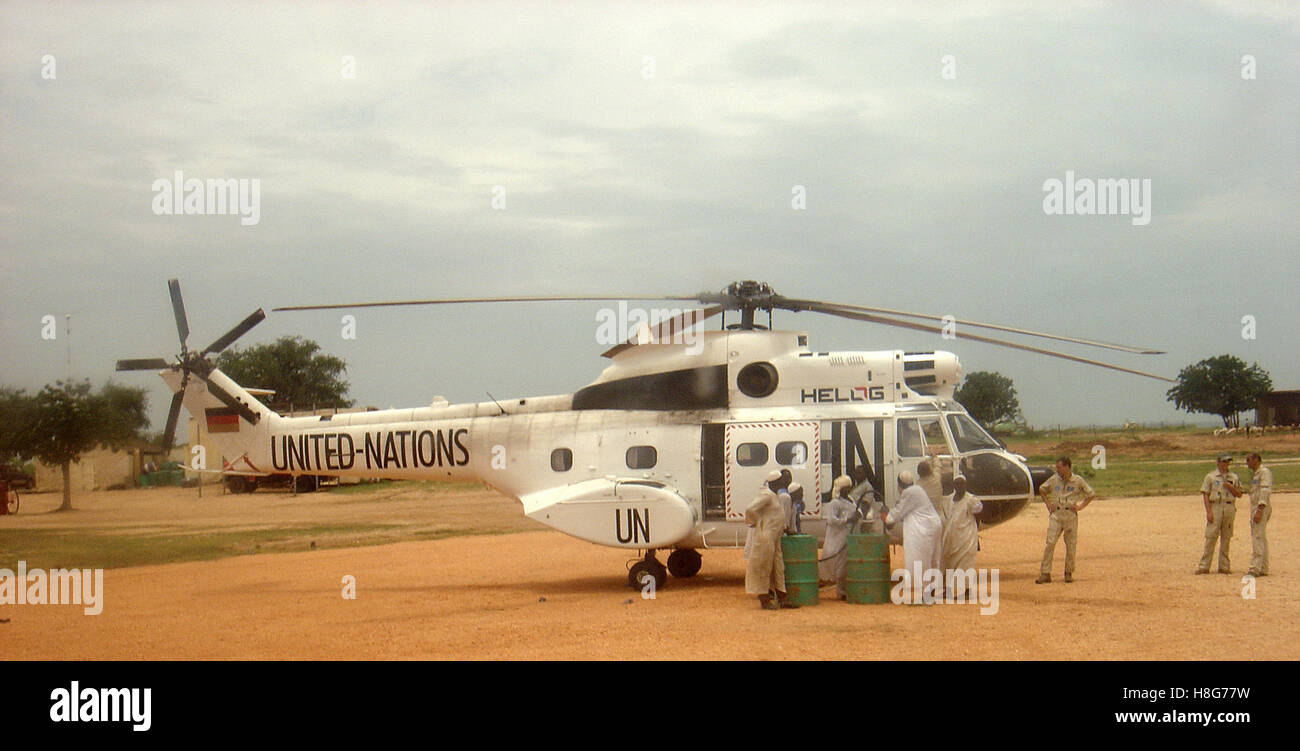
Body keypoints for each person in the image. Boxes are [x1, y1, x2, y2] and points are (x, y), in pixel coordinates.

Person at [882, 470, 943, 604]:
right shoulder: (917, 490)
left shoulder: (908, 493)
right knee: (932, 560)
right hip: (933, 525)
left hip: (924, 528)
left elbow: (897, 513)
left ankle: (926, 595)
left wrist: (887, 517)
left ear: (900, 484)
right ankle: (930, 591)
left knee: (920, 560)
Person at [1036, 457, 1095, 584]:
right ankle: (1045, 573)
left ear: (1067, 467)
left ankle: (1068, 572)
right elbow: (1042, 489)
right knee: (1050, 543)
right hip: (1056, 515)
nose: (1057, 470)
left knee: (1071, 545)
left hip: (1070, 515)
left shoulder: (1077, 481)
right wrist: (1048, 504)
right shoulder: (1054, 479)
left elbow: (1091, 494)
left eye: (1059, 467)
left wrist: (1080, 507)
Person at [745, 484, 798, 610]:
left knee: (778, 568)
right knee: (764, 567)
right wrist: (754, 522)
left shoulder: (776, 496)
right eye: (782, 479)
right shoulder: (767, 495)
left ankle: (782, 598)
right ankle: (764, 600)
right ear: (775, 482)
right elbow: (750, 509)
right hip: (766, 537)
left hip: (775, 537)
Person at [1197, 454, 1242, 574]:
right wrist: (1208, 511)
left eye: (1227, 462)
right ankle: (1204, 566)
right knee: (1211, 536)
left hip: (1229, 506)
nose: (1225, 464)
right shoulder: (1211, 477)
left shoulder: (1233, 477)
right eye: (1223, 462)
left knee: (1226, 537)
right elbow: (1205, 494)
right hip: (1216, 505)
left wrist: (1230, 487)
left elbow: (1239, 493)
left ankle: (1224, 566)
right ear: (1218, 463)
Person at [819, 475, 861, 599]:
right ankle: (841, 592)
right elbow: (832, 520)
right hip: (837, 538)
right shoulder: (835, 503)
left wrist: (858, 516)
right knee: (840, 566)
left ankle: (844, 590)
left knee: (847, 565)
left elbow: (856, 514)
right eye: (846, 488)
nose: (848, 490)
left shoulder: (851, 500)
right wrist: (847, 520)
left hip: (849, 538)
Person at [941, 475, 983, 588]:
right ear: (954, 486)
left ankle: (967, 590)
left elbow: (978, 514)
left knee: (965, 564)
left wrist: (976, 534)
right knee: (949, 563)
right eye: (957, 484)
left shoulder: (971, 500)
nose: (960, 487)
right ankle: (948, 589)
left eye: (962, 484)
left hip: (966, 537)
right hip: (952, 537)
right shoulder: (949, 499)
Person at [1245, 453, 1273, 577]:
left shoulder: (1264, 472)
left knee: (1257, 536)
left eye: (1249, 460)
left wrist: (1260, 509)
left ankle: (1255, 568)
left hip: (1260, 507)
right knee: (1261, 536)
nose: (1247, 462)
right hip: (1257, 506)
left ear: (1256, 460)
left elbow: (1265, 490)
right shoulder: (1256, 474)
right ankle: (1263, 567)